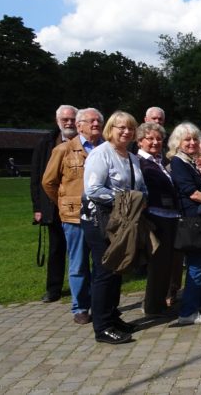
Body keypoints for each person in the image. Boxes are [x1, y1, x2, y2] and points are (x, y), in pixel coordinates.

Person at [82, 111, 147, 344]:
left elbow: (140, 186)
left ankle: (112, 316)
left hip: (124, 221)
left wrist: (140, 198)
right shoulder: (101, 154)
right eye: (121, 127)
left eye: (130, 128)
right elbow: (93, 189)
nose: (126, 132)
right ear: (111, 128)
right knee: (104, 271)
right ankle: (102, 327)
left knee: (117, 269)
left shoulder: (131, 157)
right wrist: (126, 199)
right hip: (100, 221)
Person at [42, 107, 103, 324]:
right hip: (74, 217)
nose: (95, 124)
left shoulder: (106, 149)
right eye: (90, 121)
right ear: (79, 126)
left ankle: (100, 303)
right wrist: (63, 201)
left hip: (101, 216)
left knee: (101, 263)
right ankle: (80, 307)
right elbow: (48, 182)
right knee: (78, 264)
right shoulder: (63, 150)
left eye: (98, 121)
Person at [169, 123, 201, 325]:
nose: (192, 143)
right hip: (191, 222)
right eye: (187, 139)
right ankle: (188, 312)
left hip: (200, 220)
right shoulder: (178, 163)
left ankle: (198, 304)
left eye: (194, 139)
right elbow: (191, 192)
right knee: (197, 266)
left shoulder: (189, 162)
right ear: (178, 143)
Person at [31, 104, 77, 303]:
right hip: (54, 204)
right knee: (56, 248)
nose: (68, 123)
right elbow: (37, 177)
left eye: (72, 119)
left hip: (78, 205)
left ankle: (85, 286)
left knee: (82, 249)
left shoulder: (85, 142)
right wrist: (38, 207)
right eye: (65, 119)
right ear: (58, 121)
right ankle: (54, 288)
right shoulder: (46, 143)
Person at [135, 122, 178, 316]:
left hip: (169, 216)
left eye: (159, 139)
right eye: (150, 139)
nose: (155, 142)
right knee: (157, 263)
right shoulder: (139, 162)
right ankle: (152, 305)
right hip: (154, 217)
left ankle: (159, 302)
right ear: (140, 141)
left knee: (166, 263)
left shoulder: (159, 162)